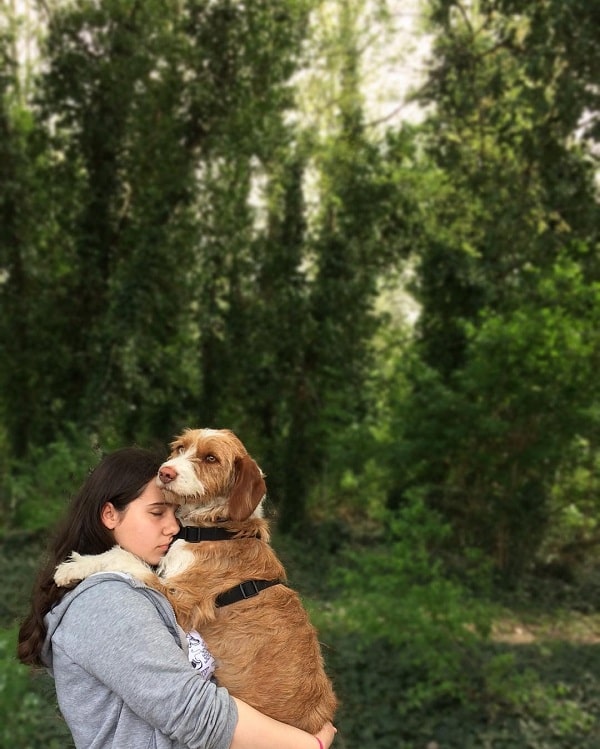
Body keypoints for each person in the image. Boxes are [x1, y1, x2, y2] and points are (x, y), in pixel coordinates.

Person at [17, 446, 337, 749]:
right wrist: (310, 744)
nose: (173, 526)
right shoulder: (106, 600)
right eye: (157, 513)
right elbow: (190, 710)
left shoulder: (141, 588)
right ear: (110, 515)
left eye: (176, 512)